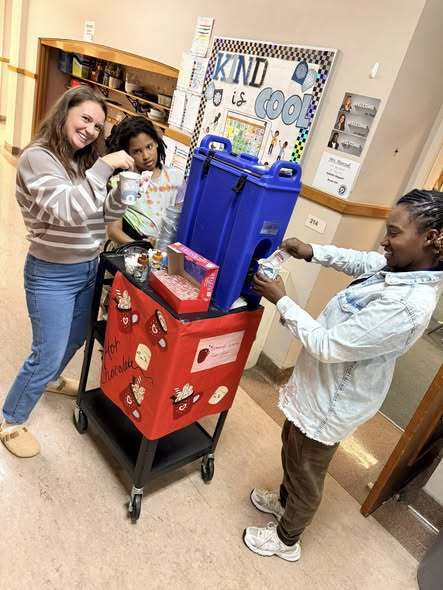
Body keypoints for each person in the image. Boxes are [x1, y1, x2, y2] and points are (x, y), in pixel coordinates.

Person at [244, 189, 443, 562]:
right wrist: (312, 251)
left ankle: (287, 538)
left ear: (431, 238)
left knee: (306, 469)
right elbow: (360, 260)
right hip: (319, 386)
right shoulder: (399, 269)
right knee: (292, 443)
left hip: (333, 402)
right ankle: (283, 503)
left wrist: (282, 299)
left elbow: (327, 345)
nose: (385, 241)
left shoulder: (407, 305)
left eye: (395, 233)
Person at [0, 86, 135, 458]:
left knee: (76, 337)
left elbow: (99, 219)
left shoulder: (81, 162)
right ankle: (10, 418)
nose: (92, 130)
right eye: (86, 119)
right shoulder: (37, 158)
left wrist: (121, 192)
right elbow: (66, 210)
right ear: (64, 114)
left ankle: (51, 379)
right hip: (51, 275)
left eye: (98, 125)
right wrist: (105, 167)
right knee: (47, 350)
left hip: (87, 268)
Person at [106, 116, 184, 246]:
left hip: (163, 253)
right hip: (132, 252)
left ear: (157, 142)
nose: (146, 156)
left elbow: (178, 224)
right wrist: (141, 246)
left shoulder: (176, 179)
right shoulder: (123, 182)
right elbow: (113, 231)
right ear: (127, 153)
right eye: (137, 151)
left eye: (149, 146)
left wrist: (160, 245)